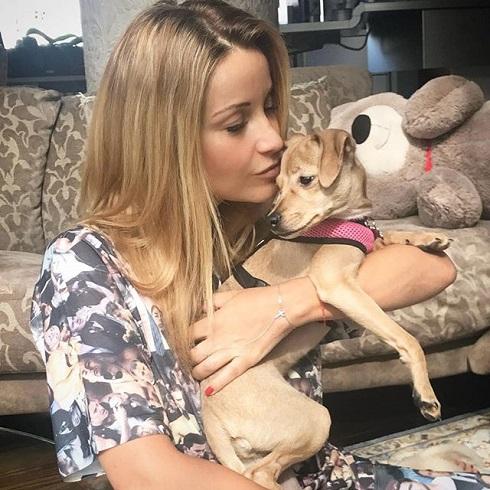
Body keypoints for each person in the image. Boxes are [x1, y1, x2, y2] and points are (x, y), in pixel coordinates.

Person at [30, 1, 476, 488]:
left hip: (321, 474)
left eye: (270, 106)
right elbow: (146, 475)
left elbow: (432, 268)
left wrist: (284, 305)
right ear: (163, 141)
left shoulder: (273, 222)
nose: (273, 139)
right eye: (235, 123)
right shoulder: (84, 265)